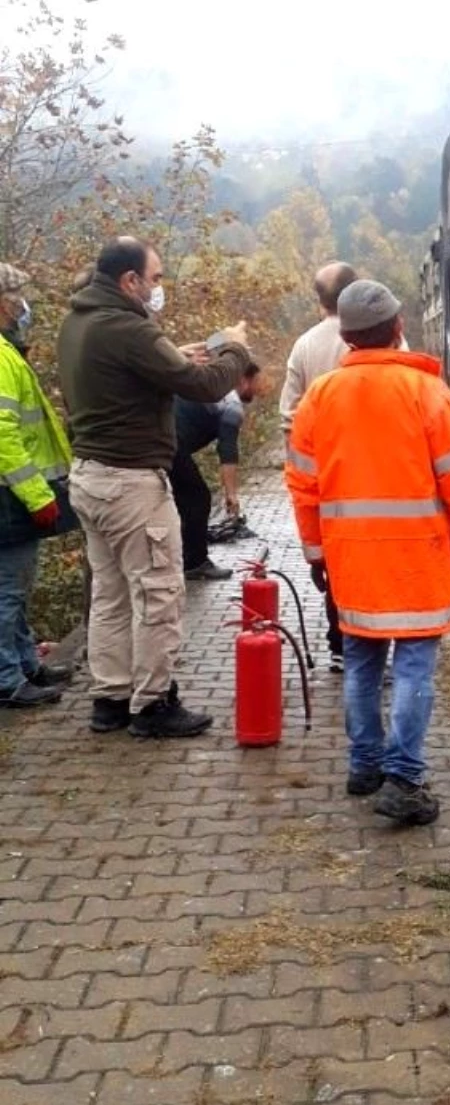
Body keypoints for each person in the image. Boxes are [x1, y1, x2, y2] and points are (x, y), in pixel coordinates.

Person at [285, 279, 450, 827]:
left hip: (351, 560)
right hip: (417, 561)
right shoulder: (426, 394)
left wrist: (314, 554)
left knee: (360, 659)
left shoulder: (319, 398)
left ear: (347, 335)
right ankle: (404, 777)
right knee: (412, 663)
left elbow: (302, 485)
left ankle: (365, 765)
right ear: (398, 328)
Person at [57, 238, 253, 738]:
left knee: (111, 595)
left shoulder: (80, 321)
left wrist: (174, 355)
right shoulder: (127, 327)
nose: (159, 286)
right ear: (130, 281)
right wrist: (233, 346)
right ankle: (154, 704)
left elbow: (134, 370)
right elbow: (207, 386)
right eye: (157, 277)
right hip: (131, 484)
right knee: (160, 593)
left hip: (90, 476)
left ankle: (111, 699)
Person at [0, 264, 75, 709]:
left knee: (18, 587)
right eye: (18, 296)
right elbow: (3, 434)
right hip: (10, 498)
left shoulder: (9, 353)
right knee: (8, 590)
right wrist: (38, 495)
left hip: (13, 495)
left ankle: (26, 663)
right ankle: (8, 678)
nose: (24, 305)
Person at [280, 263, 358, 672]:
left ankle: (340, 645)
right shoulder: (380, 335)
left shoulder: (305, 346)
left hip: (325, 476)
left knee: (335, 562)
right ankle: (374, 648)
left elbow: (289, 416)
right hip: (375, 472)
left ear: (319, 301)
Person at [170, 358, 267, 581]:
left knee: (178, 501)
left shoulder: (213, 390)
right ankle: (195, 563)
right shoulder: (231, 404)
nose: (257, 388)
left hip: (154, 438)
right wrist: (231, 494)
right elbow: (228, 453)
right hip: (170, 444)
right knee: (198, 498)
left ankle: (176, 558)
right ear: (242, 380)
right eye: (255, 381)